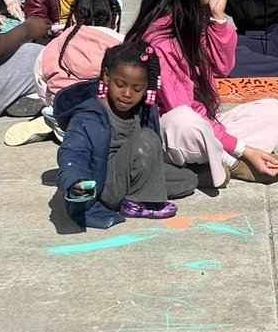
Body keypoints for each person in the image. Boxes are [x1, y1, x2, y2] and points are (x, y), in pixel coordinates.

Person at [128, 0, 278, 187]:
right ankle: (228, 162)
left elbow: (224, 67)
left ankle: (210, 163)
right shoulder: (159, 39)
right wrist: (244, 151)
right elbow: (184, 109)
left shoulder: (193, 18)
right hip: (168, 135)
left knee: (272, 111)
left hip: (206, 125)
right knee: (184, 121)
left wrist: (218, 16)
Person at [56, 42, 197, 229]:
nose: (127, 94)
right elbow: (73, 155)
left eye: (137, 89)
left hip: (129, 175)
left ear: (147, 87)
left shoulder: (143, 110)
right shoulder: (88, 117)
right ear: (106, 76)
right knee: (147, 139)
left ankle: (134, 194)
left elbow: (145, 158)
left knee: (187, 181)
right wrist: (77, 187)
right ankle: (137, 203)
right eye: (120, 85)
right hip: (104, 183)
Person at [4, 0, 124, 147]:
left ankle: (54, 118)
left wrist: (51, 102)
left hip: (63, 112)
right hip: (105, 121)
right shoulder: (122, 44)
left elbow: (40, 81)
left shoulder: (56, 44)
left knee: (61, 103)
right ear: (115, 18)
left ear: (73, 17)